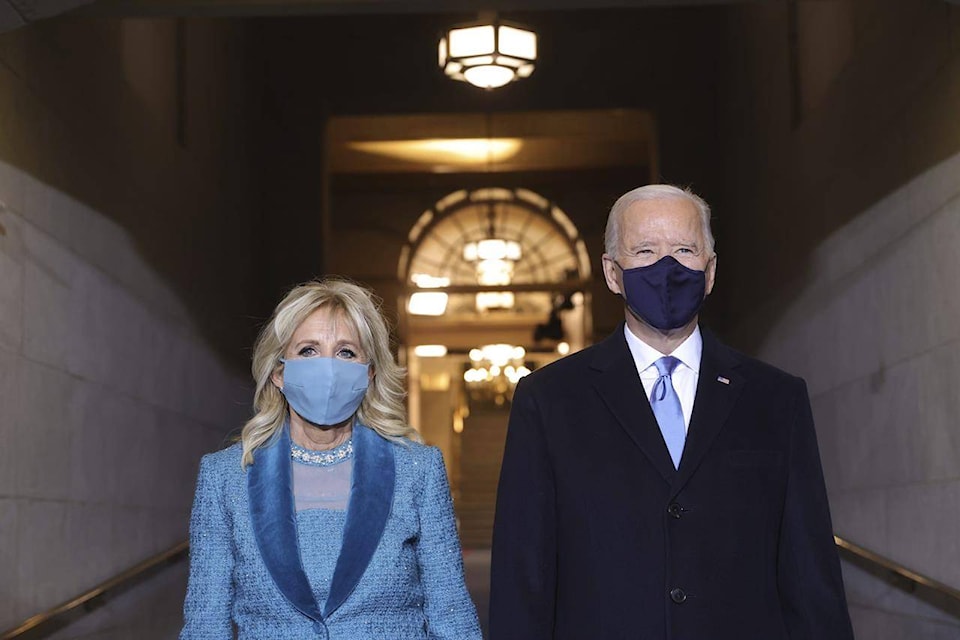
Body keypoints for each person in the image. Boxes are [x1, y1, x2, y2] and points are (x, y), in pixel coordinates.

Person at [489, 185, 853, 639]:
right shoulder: (548, 399)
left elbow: (809, 570)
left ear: (711, 270)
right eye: (644, 250)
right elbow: (523, 576)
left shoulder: (776, 399)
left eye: (685, 249)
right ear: (612, 272)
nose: (667, 267)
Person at [180, 278, 482, 640]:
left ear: (369, 372)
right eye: (308, 350)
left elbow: (452, 617)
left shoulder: (418, 470)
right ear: (278, 372)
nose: (328, 367)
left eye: (346, 352)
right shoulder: (225, 478)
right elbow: (205, 626)